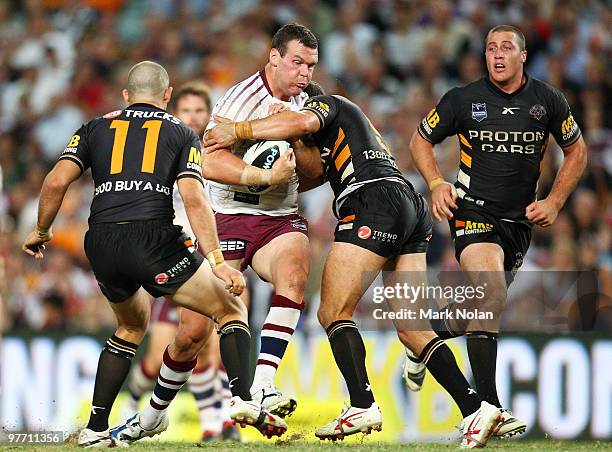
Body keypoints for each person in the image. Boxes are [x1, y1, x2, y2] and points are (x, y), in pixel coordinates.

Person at [204, 82, 504, 448]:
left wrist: (238, 130)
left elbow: (299, 122)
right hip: (409, 207)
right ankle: (477, 409)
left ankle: (362, 404)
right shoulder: (348, 133)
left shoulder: (327, 104)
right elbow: (311, 167)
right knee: (413, 329)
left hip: (371, 203)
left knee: (332, 312)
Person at [22, 61, 286, 447]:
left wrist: (41, 230)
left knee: (130, 328)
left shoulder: (94, 127)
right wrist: (216, 261)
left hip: (101, 241)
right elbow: (194, 198)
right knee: (231, 308)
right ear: (167, 96)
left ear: (126, 97)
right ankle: (243, 400)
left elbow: (56, 180)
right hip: (153, 240)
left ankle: (94, 429)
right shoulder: (181, 132)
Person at [404, 24, 587, 438]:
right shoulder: (463, 100)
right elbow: (420, 141)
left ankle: (426, 338)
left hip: (519, 222)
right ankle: (487, 409)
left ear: (523, 56)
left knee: (486, 303)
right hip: (471, 213)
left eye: (507, 48)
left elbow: (576, 151)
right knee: (489, 291)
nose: (497, 55)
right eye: (490, 48)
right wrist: (435, 184)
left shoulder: (547, 100)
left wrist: (555, 201)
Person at [201, 23, 319, 417]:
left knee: (295, 276)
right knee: (192, 331)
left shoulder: (310, 103)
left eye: (311, 66)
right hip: (230, 216)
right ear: (274, 57)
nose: (305, 74)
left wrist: (299, 138)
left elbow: (316, 173)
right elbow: (210, 159)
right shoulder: (239, 98)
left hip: (278, 218)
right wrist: (263, 177)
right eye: (297, 63)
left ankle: (264, 385)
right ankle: (152, 411)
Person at [125, 81, 240, 442]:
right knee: (161, 354)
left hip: (209, 255)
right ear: (176, 112)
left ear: (209, 116)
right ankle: (134, 395)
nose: (192, 117)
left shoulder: (220, 153)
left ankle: (213, 425)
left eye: (199, 111)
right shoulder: (166, 149)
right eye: (186, 110)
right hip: (171, 254)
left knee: (202, 336)